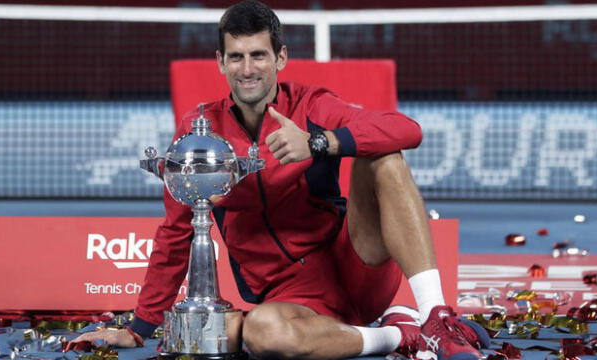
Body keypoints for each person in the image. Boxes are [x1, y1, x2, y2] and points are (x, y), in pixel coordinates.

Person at [75, 1, 489, 359]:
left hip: (356, 263)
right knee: (263, 335)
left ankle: (437, 317)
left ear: (281, 58)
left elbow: (407, 130)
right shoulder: (201, 133)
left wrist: (320, 142)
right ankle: (400, 334)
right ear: (220, 62)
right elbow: (176, 230)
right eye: (236, 57)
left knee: (383, 157)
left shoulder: (312, 106)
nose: (248, 69)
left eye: (258, 55)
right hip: (294, 299)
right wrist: (141, 327)